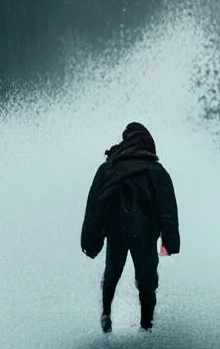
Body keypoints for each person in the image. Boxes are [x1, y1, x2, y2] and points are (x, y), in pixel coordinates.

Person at [80, 122, 180, 333]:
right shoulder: (156, 171)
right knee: (146, 280)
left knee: (112, 271)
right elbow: (167, 209)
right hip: (145, 234)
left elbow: (94, 205)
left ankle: (106, 312)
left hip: (115, 231)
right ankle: (146, 325)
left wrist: (90, 240)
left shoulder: (108, 168)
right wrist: (169, 241)